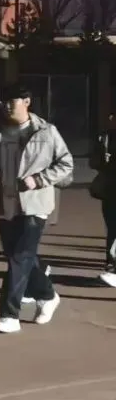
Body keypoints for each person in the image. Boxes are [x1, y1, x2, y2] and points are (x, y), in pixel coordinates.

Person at [0, 83, 73, 333]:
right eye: (3, 102)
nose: (6, 106)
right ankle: (48, 294)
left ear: (27, 102)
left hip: (36, 203)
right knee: (17, 256)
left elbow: (66, 164)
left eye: (12, 101)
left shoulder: (47, 131)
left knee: (20, 256)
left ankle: (9, 314)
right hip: (4, 202)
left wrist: (39, 179)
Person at [88, 111, 116, 288]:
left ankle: (113, 268)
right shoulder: (105, 138)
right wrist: (101, 159)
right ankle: (111, 265)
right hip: (110, 189)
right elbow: (93, 162)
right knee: (112, 227)